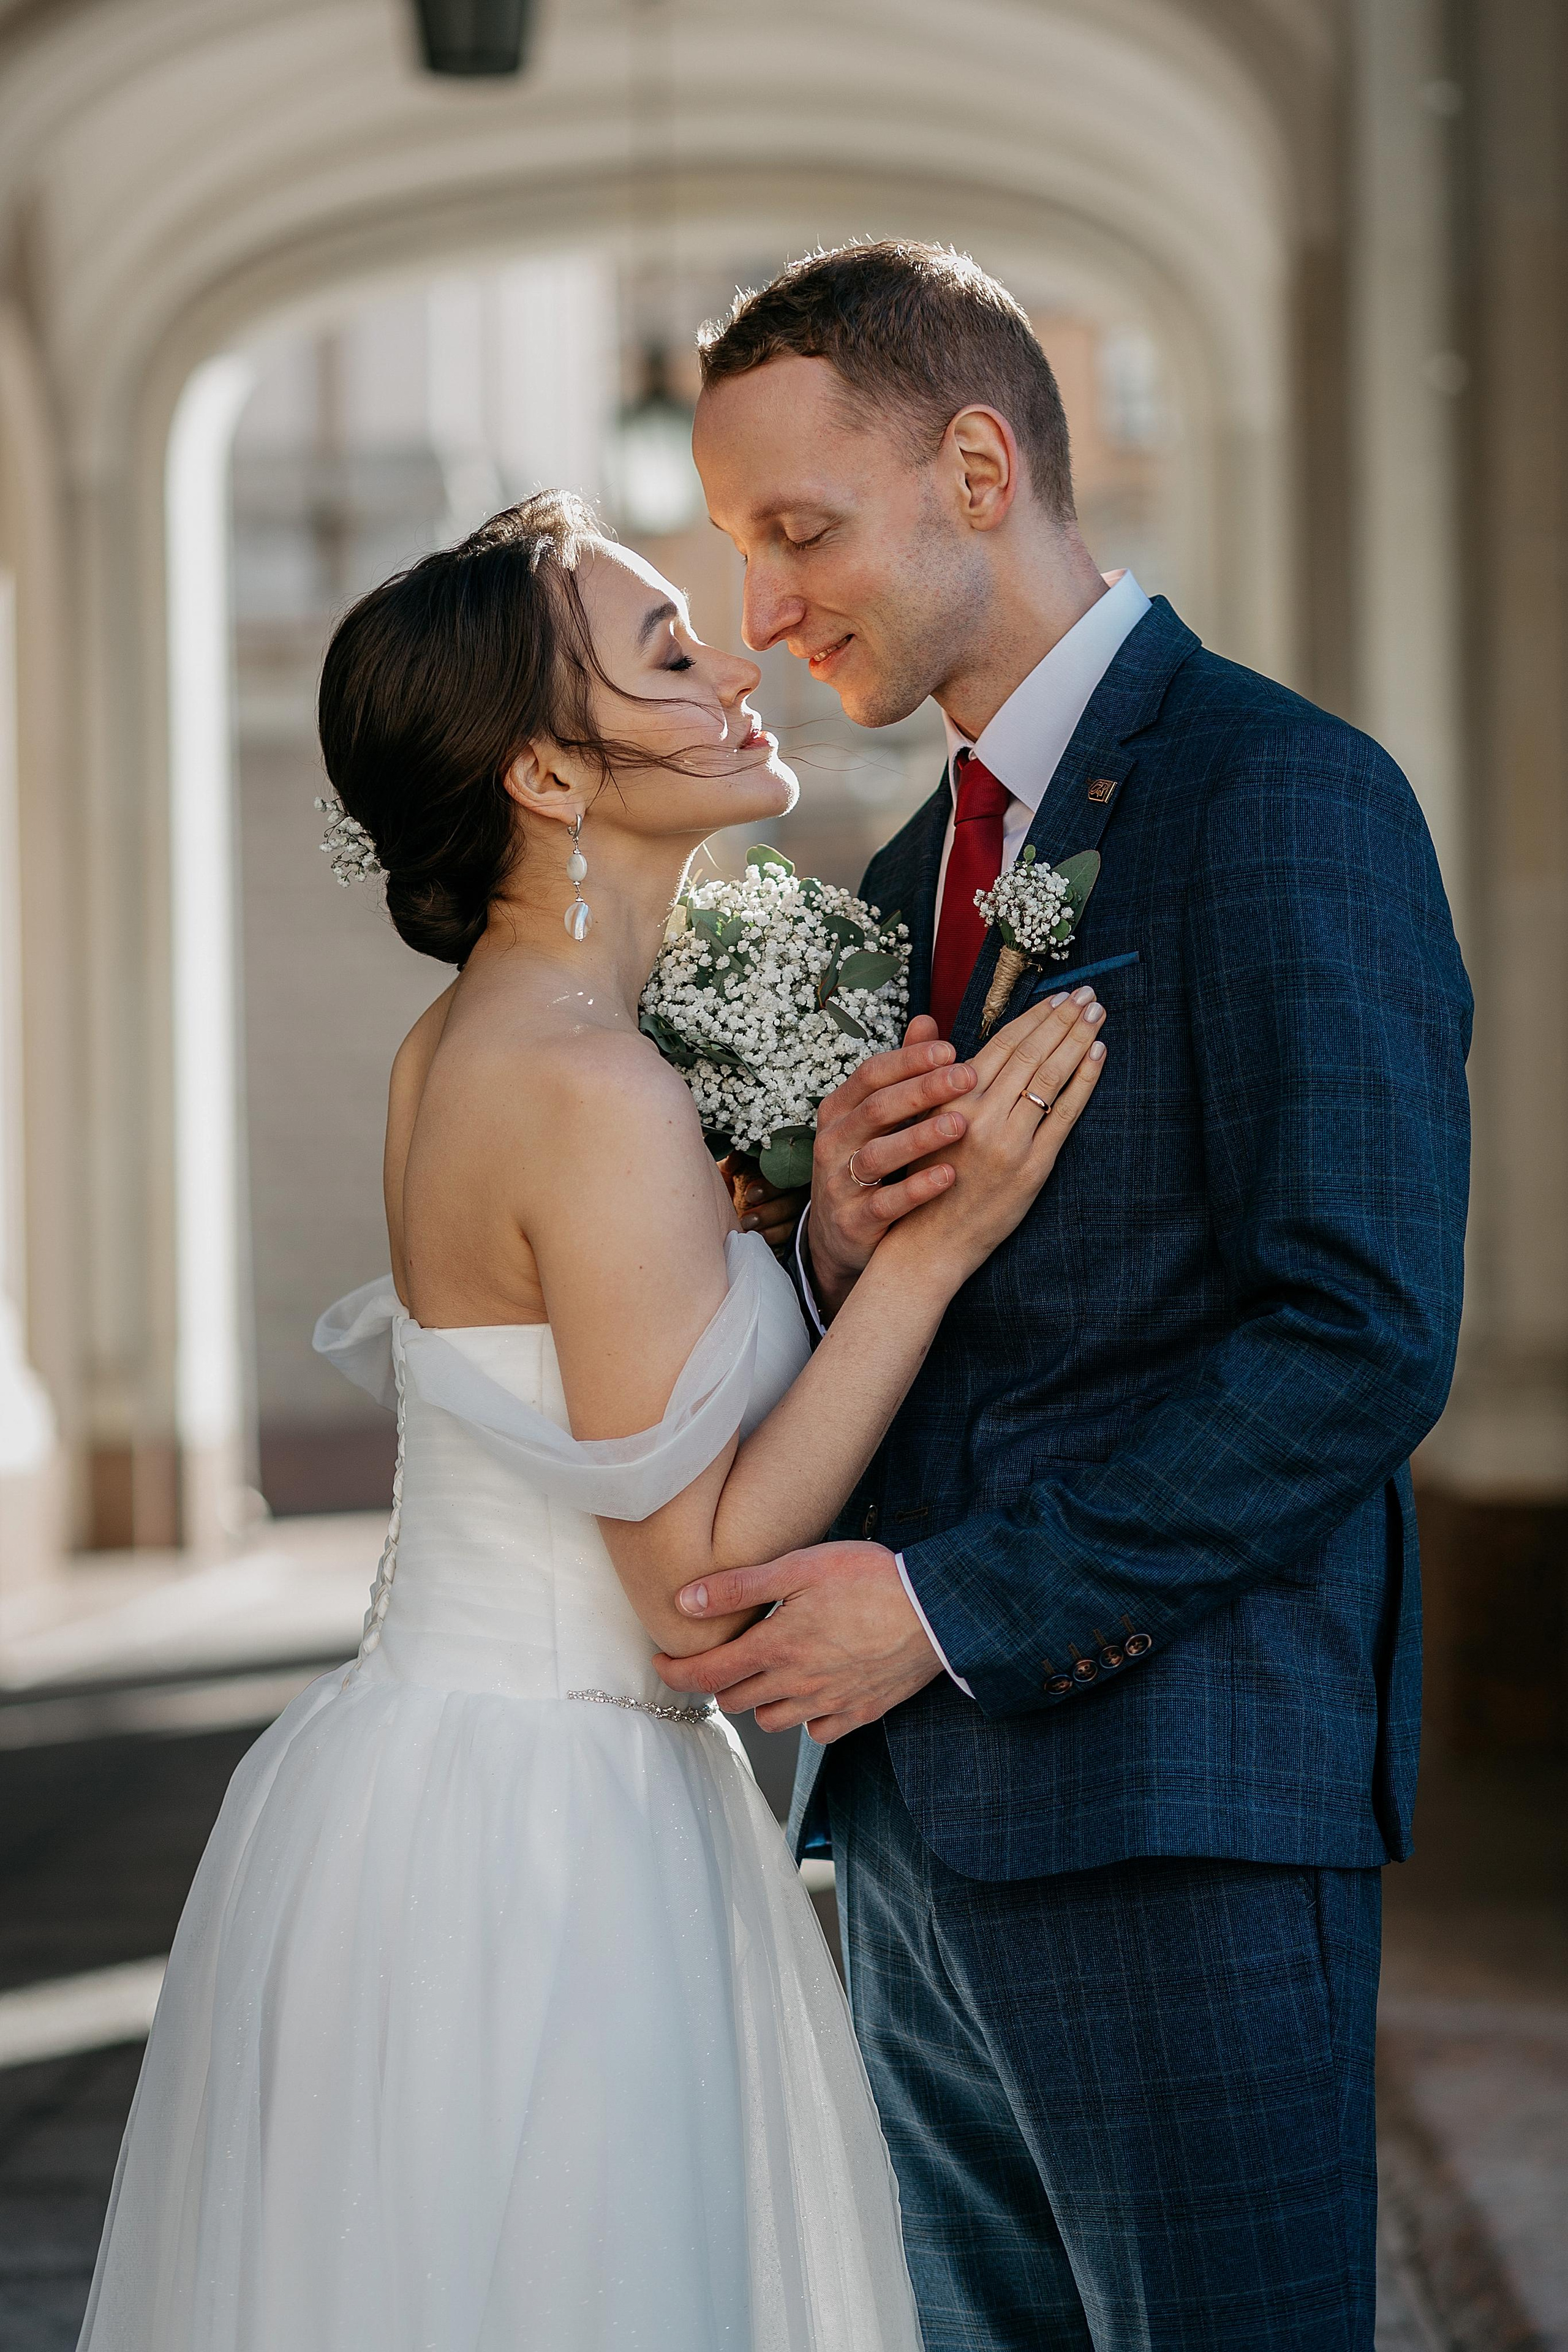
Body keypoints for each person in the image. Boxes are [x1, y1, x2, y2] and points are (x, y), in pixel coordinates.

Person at [76, 490, 1110, 2351]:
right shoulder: (593, 1087)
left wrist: (813, 1246)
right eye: (662, 653)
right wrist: (936, 1255)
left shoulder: (475, 1042)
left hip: (432, 1786)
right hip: (548, 1841)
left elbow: (599, 1410)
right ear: (549, 777)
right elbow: (695, 1589)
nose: (733, 662)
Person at [665, 241, 1474, 2350]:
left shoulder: (1284, 795)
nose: (763, 608)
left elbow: (1360, 1331)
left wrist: (945, 1610)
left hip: (1173, 1808)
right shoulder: (897, 877)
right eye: (743, 550)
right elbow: (955, 1323)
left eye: (799, 533)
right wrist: (836, 1238)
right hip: (916, 1835)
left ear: (976, 459)